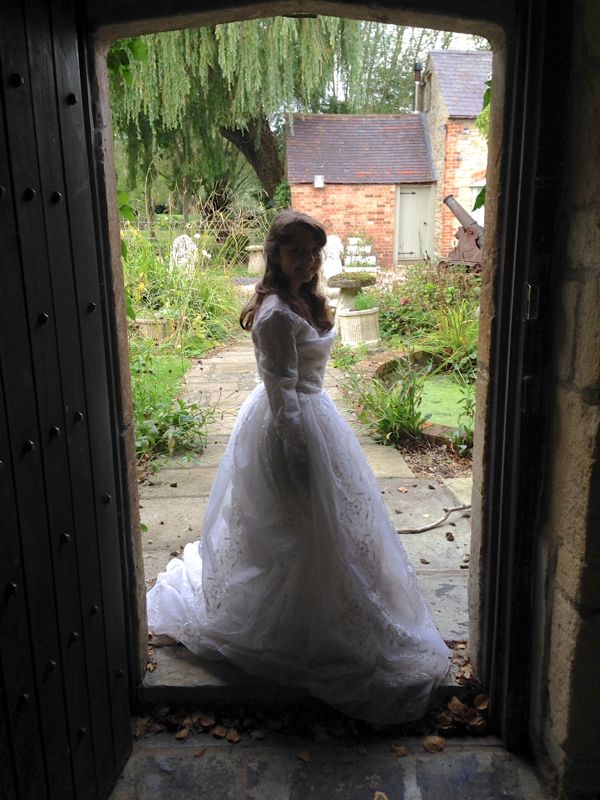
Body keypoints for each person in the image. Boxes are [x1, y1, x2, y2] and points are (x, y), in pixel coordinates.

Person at [147, 210, 449, 724]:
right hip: (290, 425)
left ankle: (330, 609)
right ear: (276, 254)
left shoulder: (304, 300)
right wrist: (297, 454)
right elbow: (281, 391)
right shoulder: (273, 314)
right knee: (296, 523)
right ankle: (293, 623)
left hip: (316, 415)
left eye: (314, 251)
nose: (308, 261)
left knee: (330, 528)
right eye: (297, 251)